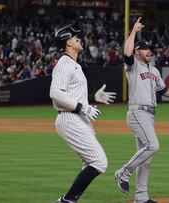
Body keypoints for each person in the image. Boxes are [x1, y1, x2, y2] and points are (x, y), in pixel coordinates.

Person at [114, 17, 169, 203]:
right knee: (153, 146)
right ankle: (123, 173)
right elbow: (126, 51)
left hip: (149, 115)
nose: (149, 51)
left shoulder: (154, 70)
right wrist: (134, 31)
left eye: (149, 49)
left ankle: (141, 197)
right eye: (144, 49)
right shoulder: (133, 66)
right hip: (137, 112)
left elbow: (165, 91)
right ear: (137, 52)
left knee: (147, 158)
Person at [49, 25, 116, 203]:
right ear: (68, 42)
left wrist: (93, 97)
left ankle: (70, 200)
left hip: (77, 117)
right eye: (75, 37)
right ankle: (67, 200)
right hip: (70, 117)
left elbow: (69, 93)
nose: (79, 38)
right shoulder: (65, 63)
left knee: (89, 163)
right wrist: (81, 107)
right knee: (100, 162)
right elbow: (55, 93)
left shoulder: (72, 64)